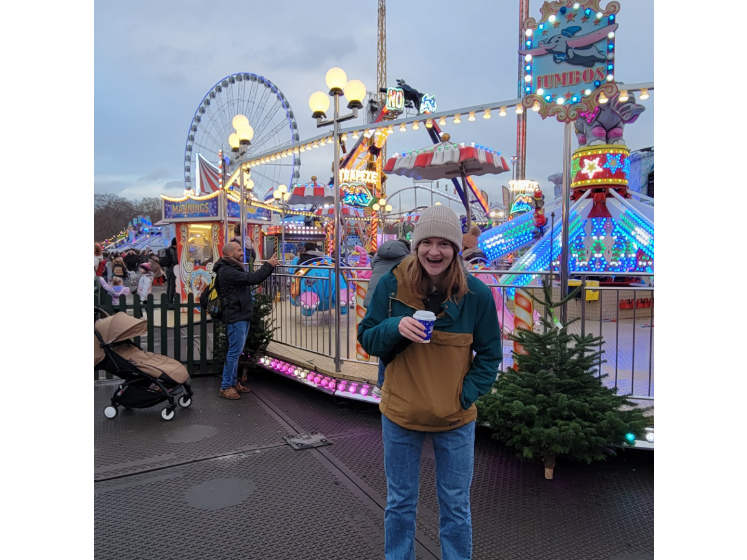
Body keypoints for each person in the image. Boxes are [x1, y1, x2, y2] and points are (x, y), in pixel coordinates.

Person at [358, 205, 502, 560]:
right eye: (427, 242)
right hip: (400, 414)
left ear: (456, 249)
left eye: (444, 244)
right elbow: (367, 338)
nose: (434, 252)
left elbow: (489, 355)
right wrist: (394, 326)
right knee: (400, 502)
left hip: (455, 419)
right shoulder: (392, 284)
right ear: (416, 245)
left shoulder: (476, 295)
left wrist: (463, 396)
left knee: (455, 505)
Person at [213, 243, 279, 400]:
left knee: (236, 351)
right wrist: (268, 265)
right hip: (236, 315)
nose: (242, 252)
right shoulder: (227, 271)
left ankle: (232, 382)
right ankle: (225, 386)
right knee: (234, 351)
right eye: (239, 250)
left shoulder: (232, 268)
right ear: (229, 253)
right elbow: (252, 278)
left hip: (240, 314)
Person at [362, 239, 412, 399]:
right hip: (390, 303)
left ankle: (381, 383)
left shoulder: (378, 257)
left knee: (380, 340)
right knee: (390, 343)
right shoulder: (406, 259)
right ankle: (382, 383)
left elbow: (372, 266)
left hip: (373, 301)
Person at [161, 238, 179, 304]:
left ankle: (167, 301)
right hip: (172, 269)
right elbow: (175, 261)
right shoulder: (173, 250)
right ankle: (170, 301)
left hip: (168, 269)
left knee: (169, 286)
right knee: (172, 286)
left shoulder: (168, 249)